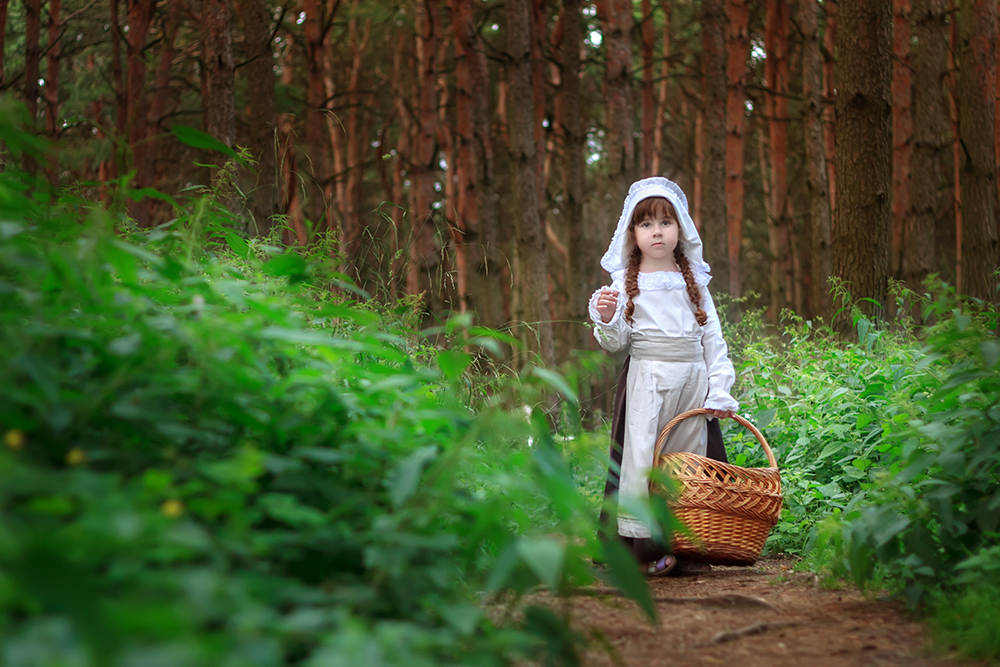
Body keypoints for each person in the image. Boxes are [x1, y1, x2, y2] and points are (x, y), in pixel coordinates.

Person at [589, 177, 739, 576]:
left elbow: (713, 338)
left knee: (687, 463)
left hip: (693, 380)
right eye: (646, 224)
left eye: (665, 222)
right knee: (642, 462)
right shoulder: (624, 284)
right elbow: (617, 341)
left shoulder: (696, 282)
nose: (657, 231)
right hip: (648, 380)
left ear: (681, 228)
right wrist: (606, 316)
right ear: (632, 233)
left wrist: (720, 387)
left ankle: (685, 546)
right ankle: (639, 550)